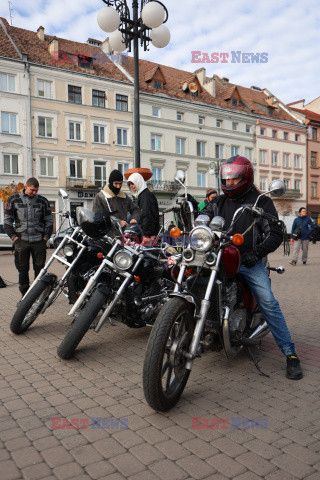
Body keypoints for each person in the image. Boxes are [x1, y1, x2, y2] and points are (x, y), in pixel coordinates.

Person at [202, 155, 303, 380]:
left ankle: (290, 353)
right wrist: (198, 222)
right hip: (218, 257)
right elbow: (204, 216)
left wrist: (256, 254)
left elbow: (276, 232)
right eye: (225, 180)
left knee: (268, 301)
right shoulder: (218, 202)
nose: (228, 184)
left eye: (233, 179)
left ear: (245, 177)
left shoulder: (261, 202)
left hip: (249, 261)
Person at [4, 177, 53, 296]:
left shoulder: (43, 201)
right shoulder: (13, 200)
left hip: (39, 241)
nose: (34, 193)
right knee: (22, 270)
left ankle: (38, 295)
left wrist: (45, 238)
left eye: (36, 190)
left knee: (40, 270)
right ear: (25, 187)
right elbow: (7, 222)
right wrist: (15, 239)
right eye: (32, 190)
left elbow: (49, 222)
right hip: (21, 241)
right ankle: (25, 296)